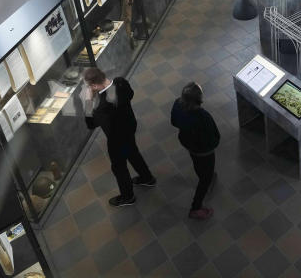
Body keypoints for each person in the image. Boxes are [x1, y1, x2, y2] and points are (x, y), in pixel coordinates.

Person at [82, 67, 156, 207]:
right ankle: (147, 178)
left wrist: (88, 100)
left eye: (88, 86)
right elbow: (131, 94)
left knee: (119, 166)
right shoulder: (121, 83)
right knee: (133, 152)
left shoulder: (103, 107)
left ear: (94, 86)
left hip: (116, 138)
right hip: (129, 127)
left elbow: (91, 123)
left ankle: (128, 197)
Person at [170, 82, 220, 220]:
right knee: (205, 178)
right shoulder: (203, 117)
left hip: (190, 146)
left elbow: (173, 122)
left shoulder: (177, 105)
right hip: (205, 151)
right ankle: (196, 208)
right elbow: (215, 137)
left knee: (198, 165)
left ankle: (205, 176)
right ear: (199, 99)